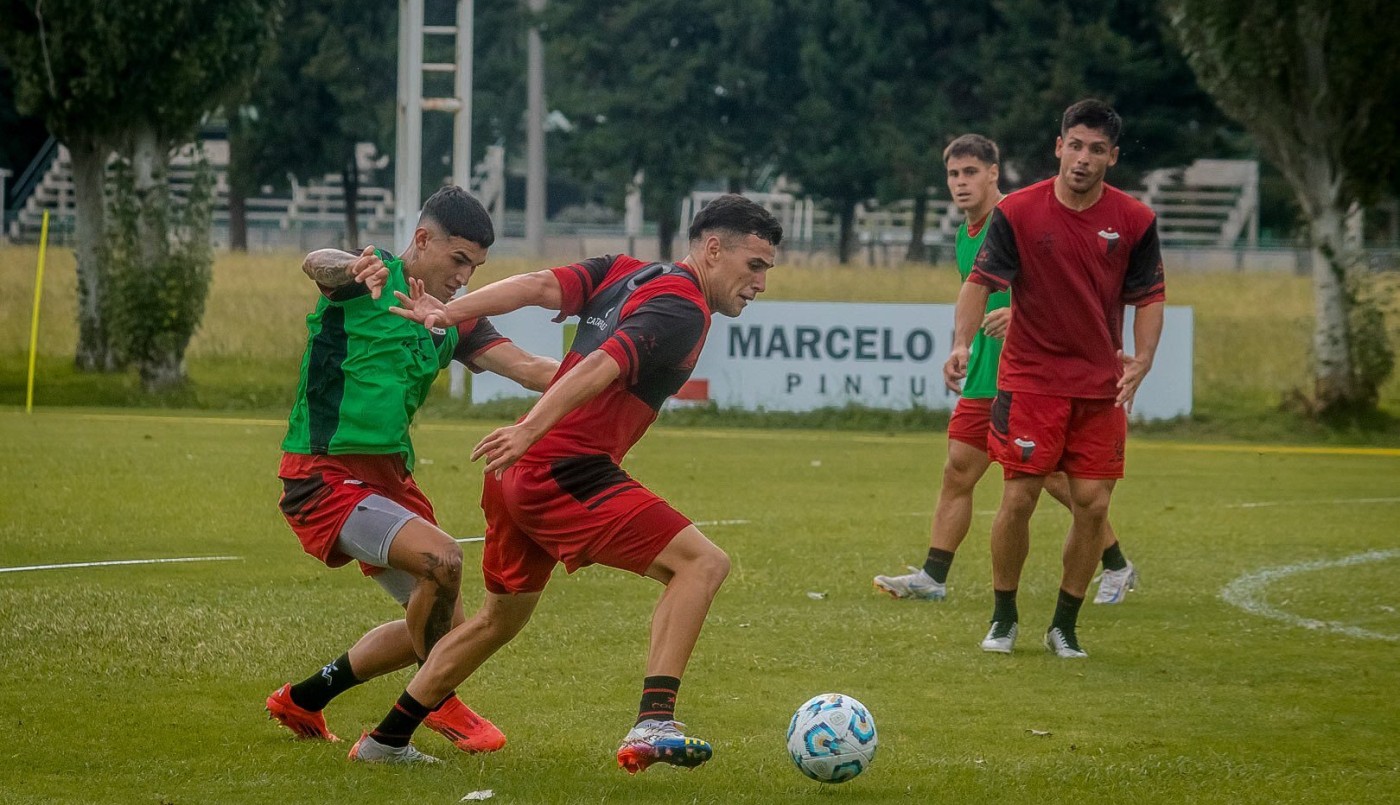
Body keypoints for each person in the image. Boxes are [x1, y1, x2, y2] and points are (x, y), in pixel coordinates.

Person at [345, 194, 782, 769]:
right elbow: (602, 367)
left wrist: (449, 312)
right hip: (563, 469)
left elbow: (533, 285)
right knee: (701, 564)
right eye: (754, 266)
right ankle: (654, 721)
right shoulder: (683, 307)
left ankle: (385, 742)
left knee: (498, 620)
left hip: (517, 474)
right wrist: (530, 432)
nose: (760, 283)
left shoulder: (627, 270)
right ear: (714, 248)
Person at [267, 186, 558, 752]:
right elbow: (317, 264)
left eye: (475, 267)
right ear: (422, 239)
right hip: (321, 476)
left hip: (389, 484)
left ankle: (303, 698)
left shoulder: (451, 320)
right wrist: (353, 264)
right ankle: (436, 703)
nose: (465, 278)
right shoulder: (365, 280)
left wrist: (613, 368)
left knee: (438, 627)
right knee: (443, 561)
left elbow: (526, 366)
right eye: (458, 261)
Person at [873, 134, 1137, 606]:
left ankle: (1116, 564)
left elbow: (1067, 286)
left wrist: (1023, 314)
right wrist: (961, 344)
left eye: (971, 172)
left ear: (994, 173)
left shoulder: (1024, 217)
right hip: (984, 374)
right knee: (958, 468)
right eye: (953, 174)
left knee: (1057, 480)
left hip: (1032, 376)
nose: (960, 183)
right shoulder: (964, 234)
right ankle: (933, 577)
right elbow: (975, 294)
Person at [943, 100, 1165, 658]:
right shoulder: (1017, 212)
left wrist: (1143, 357)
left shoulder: (1135, 221)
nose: (1083, 158)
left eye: (1096, 149)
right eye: (1075, 145)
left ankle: (1064, 625)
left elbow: (1150, 296)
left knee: (1091, 503)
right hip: (1031, 380)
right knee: (1018, 497)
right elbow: (979, 281)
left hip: (1098, 384)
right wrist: (962, 344)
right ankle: (1004, 617)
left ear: (1112, 157)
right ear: (1058, 146)